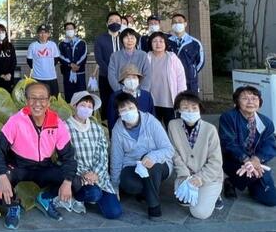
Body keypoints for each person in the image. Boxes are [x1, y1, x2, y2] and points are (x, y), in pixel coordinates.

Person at [0, 83, 77, 229]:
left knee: (75, 181)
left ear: (49, 101)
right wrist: (2, 176)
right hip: (19, 166)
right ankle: (13, 206)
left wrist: (67, 182)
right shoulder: (16, 121)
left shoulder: (57, 123)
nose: (37, 103)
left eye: (42, 99)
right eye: (33, 98)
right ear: (26, 100)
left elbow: (68, 157)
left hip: (44, 167)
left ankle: (45, 198)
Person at [110, 93, 174, 219]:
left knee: (152, 168)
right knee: (128, 184)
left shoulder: (151, 122)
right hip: (132, 164)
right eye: (123, 109)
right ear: (118, 113)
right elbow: (116, 158)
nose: (128, 111)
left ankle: (154, 206)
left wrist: (152, 156)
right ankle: (147, 190)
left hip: (158, 164)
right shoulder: (117, 129)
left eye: (131, 107)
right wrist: (114, 186)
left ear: (137, 107)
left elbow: (169, 149)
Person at [65, 91, 122, 219]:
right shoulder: (65, 127)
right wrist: (84, 174)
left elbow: (102, 155)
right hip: (78, 176)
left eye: (90, 107)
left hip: (98, 176)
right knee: (94, 193)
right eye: (83, 105)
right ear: (74, 106)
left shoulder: (97, 128)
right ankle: (77, 197)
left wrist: (95, 174)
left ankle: (94, 192)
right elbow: (66, 157)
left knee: (114, 212)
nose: (86, 109)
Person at [168, 91, 224, 219]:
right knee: (184, 198)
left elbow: (216, 161)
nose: (190, 111)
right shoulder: (173, 125)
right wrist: (185, 174)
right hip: (187, 175)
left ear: (199, 109)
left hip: (209, 176)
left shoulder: (210, 129)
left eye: (194, 108)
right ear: (178, 110)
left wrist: (200, 178)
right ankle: (203, 193)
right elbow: (174, 153)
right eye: (185, 108)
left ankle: (215, 194)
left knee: (199, 213)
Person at [219, 86, 276, 206]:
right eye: (245, 98)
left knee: (271, 199)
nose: (250, 102)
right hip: (233, 160)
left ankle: (246, 181)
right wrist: (246, 160)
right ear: (237, 102)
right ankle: (231, 181)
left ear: (260, 102)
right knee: (248, 172)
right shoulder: (228, 117)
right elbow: (228, 142)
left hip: (256, 162)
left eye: (255, 98)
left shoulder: (266, 122)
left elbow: (270, 144)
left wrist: (256, 159)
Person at [147, 32, 187, 127]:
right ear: (150, 44)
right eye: (155, 41)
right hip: (153, 101)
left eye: (161, 41)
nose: (158, 44)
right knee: (154, 128)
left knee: (172, 128)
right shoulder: (146, 57)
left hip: (169, 101)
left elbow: (181, 78)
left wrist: (180, 98)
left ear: (165, 43)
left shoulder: (172, 58)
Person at [107, 64, 155, 130]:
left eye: (134, 77)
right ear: (123, 81)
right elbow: (111, 120)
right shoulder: (115, 97)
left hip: (145, 133)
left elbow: (152, 117)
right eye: (128, 78)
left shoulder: (146, 95)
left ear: (138, 80)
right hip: (123, 134)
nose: (132, 80)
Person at [94, 12, 123, 118]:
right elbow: (99, 59)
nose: (114, 23)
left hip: (122, 78)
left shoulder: (125, 38)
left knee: (121, 102)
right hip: (105, 76)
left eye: (117, 21)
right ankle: (106, 126)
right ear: (107, 24)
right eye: (111, 21)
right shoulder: (100, 39)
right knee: (106, 102)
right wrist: (111, 73)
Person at [168, 13, 205, 93]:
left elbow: (200, 62)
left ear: (185, 24)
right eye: (174, 22)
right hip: (172, 81)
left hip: (190, 82)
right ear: (171, 25)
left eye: (180, 22)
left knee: (191, 103)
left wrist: (191, 71)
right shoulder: (167, 42)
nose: (177, 24)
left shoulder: (194, 43)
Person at [107, 28, 150, 92]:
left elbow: (147, 74)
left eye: (132, 38)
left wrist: (142, 91)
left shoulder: (143, 55)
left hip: (139, 92)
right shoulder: (114, 56)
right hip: (121, 93)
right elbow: (111, 76)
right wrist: (120, 90)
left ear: (136, 40)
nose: (129, 40)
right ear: (122, 40)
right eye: (126, 38)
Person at [26, 24, 62, 96]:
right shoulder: (33, 45)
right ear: (37, 34)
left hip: (51, 77)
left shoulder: (53, 45)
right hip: (37, 78)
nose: (43, 35)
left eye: (45, 32)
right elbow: (29, 61)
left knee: (54, 99)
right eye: (41, 32)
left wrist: (48, 67)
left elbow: (56, 59)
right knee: (38, 98)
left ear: (48, 34)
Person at [59, 22, 88, 102]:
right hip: (67, 74)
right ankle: (70, 113)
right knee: (69, 96)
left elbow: (84, 55)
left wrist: (77, 65)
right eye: (67, 29)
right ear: (65, 31)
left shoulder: (81, 42)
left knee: (82, 95)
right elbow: (60, 56)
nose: (69, 30)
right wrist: (70, 64)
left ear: (75, 30)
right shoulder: (61, 44)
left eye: (71, 29)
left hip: (80, 73)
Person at [0, 23, 17, 92]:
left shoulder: (10, 46)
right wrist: (1, 75)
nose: (1, 33)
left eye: (3, 31)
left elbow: (13, 61)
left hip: (9, 78)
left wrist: (10, 74)